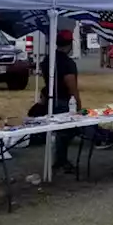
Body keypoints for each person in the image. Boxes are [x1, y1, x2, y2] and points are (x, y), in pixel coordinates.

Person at [48, 30, 81, 172]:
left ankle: (59, 159)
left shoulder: (47, 60)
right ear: (69, 45)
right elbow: (71, 85)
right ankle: (61, 161)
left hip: (51, 99)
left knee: (61, 131)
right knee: (68, 130)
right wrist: (78, 103)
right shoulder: (68, 63)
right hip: (64, 101)